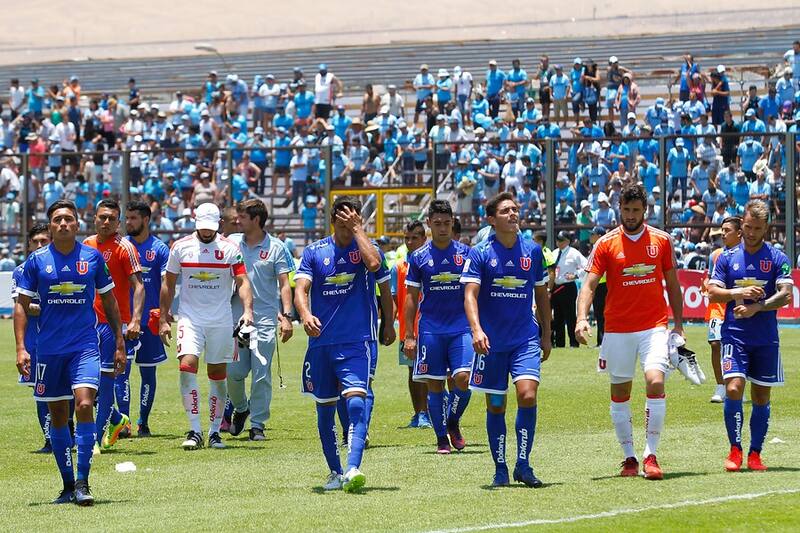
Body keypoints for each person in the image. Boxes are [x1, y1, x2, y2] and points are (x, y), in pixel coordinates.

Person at [15, 199, 125, 505]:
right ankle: (66, 485)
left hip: (84, 347)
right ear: (50, 226)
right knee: (58, 416)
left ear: (77, 224)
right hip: (49, 352)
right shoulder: (36, 262)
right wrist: (22, 348)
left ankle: (83, 481)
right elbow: (21, 306)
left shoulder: (91, 258)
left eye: (69, 219)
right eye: (58, 220)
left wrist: (118, 341)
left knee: (84, 404)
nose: (63, 224)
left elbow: (111, 301)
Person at [575, 183, 685, 480]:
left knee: (654, 380)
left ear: (644, 211)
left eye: (636, 210)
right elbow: (588, 285)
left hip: (654, 327)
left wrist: (678, 324)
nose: (631, 215)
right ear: (619, 209)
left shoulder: (661, 240)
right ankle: (629, 458)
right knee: (620, 392)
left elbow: (673, 285)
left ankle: (651, 454)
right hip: (618, 328)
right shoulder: (606, 244)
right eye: (626, 210)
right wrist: (581, 318)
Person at [293, 197, 394, 492]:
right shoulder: (314, 251)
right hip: (321, 342)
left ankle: (353, 467)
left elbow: (377, 271)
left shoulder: (368, 249)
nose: (350, 220)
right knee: (325, 411)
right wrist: (305, 313)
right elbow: (301, 289)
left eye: (355, 216)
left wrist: (388, 322)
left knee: (356, 404)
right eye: (345, 216)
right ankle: (335, 472)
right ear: (333, 218)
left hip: (356, 340)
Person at [461, 192, 552, 487]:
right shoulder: (480, 253)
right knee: (496, 405)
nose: (513, 214)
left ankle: (523, 465)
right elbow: (470, 295)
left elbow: (542, 294)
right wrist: (476, 330)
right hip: (491, 343)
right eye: (505, 211)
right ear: (491, 219)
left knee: (527, 394)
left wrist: (547, 334)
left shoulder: (532, 251)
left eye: (515, 209)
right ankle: (500, 467)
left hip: (524, 338)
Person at [159, 202, 255, 450]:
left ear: (219, 225)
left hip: (221, 319)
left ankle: (214, 432)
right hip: (190, 318)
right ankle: (194, 430)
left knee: (217, 374)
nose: (206, 232)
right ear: (195, 222)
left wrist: (247, 311)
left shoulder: (230, 248)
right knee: (187, 365)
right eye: (202, 227)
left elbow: (242, 281)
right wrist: (163, 317)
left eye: (210, 228)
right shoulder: (180, 247)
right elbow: (168, 283)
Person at [707, 200, 792, 472]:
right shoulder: (727, 258)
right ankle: (735, 450)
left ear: (765, 227)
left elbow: (786, 295)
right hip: (734, 335)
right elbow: (712, 291)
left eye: (757, 228)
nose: (751, 232)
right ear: (741, 225)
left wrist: (759, 306)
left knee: (761, 397)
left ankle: (755, 453)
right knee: (733, 388)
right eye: (747, 227)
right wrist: (737, 294)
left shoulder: (777, 258)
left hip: (766, 338)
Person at [404, 201, 473, 454]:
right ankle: (441, 437)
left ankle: (452, 422)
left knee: (463, 379)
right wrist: (409, 335)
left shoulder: (467, 254)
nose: (442, 228)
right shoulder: (419, 257)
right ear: (430, 225)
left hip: (461, 328)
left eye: (446, 223)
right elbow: (411, 297)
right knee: (434, 384)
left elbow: (476, 293)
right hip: (431, 329)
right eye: (437, 224)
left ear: (452, 222)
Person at [227, 200, 294, 441]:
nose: (237, 220)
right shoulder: (231, 242)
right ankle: (241, 408)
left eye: (242, 216)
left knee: (261, 374)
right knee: (232, 372)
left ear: (256, 219)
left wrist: (286, 316)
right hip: (235, 319)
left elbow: (285, 284)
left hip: (265, 321)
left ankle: (257, 424)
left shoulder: (276, 247)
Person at [83, 199, 145, 451]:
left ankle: (96, 440)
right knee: (80, 378)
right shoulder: (86, 245)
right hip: (86, 324)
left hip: (112, 325)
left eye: (111, 218)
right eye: (102, 217)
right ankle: (117, 419)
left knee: (107, 379)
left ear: (117, 222)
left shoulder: (124, 247)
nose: (106, 222)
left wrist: (136, 320)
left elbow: (139, 286)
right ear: (95, 219)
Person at [124, 201, 170, 436]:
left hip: (149, 322)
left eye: (133, 218)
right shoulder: (123, 246)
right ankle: (123, 424)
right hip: (124, 321)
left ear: (145, 220)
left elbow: (166, 284)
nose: (128, 222)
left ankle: (143, 422)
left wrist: (163, 314)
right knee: (121, 373)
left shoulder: (160, 249)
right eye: (127, 218)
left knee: (148, 373)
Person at [11, 223, 53, 453]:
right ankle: (50, 440)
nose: (39, 245)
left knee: (69, 390)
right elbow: (21, 307)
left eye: (43, 241)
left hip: (61, 337)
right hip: (34, 342)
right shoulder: (21, 271)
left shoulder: (58, 267)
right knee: (40, 390)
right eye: (35, 241)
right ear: (28, 244)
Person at [391, 221, 431, 429]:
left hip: (433, 327)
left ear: (424, 238)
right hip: (408, 330)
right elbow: (395, 299)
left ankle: (434, 412)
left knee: (434, 373)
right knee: (412, 372)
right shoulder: (398, 268)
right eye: (407, 238)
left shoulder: (433, 263)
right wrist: (389, 325)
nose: (410, 242)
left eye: (415, 237)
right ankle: (420, 413)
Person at [704, 216, 742, 404]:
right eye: (722, 230)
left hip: (736, 306)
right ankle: (720, 386)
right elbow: (709, 277)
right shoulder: (715, 255)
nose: (723, 234)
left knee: (737, 345)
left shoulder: (746, 254)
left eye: (727, 230)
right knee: (715, 344)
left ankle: (736, 384)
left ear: (739, 233)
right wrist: (707, 285)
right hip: (717, 307)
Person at [551, 231, 587, 348]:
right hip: (556, 287)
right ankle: (560, 343)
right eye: (557, 240)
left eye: (561, 240)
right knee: (558, 317)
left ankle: (574, 342)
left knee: (570, 316)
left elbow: (586, 265)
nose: (558, 242)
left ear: (567, 241)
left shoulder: (574, 253)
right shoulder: (554, 253)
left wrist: (576, 275)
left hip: (568, 287)